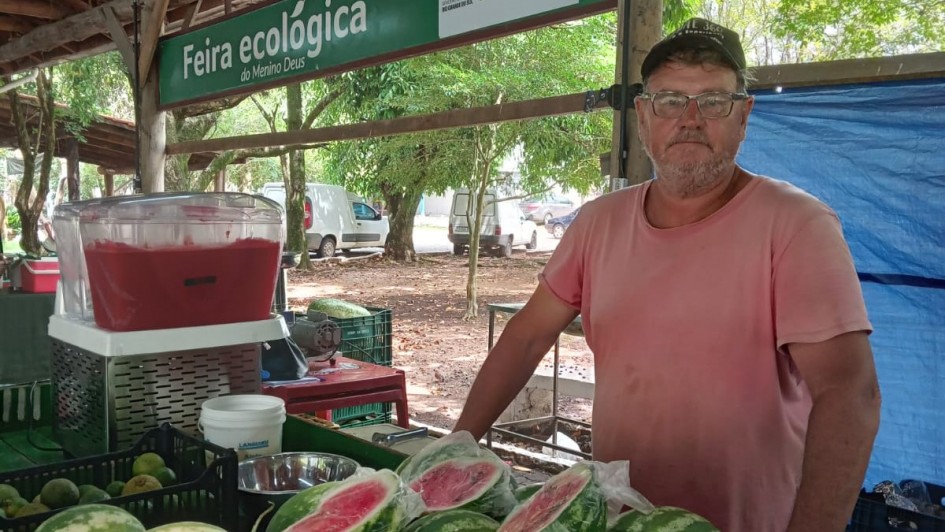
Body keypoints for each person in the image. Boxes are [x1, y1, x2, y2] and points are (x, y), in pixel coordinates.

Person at [453, 18, 880, 532]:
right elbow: (525, 336)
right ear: (643, 115)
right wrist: (456, 447)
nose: (691, 119)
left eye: (714, 100)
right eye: (671, 100)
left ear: (744, 115)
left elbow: (849, 394)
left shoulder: (796, 225)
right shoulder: (597, 223)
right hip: (618, 518)